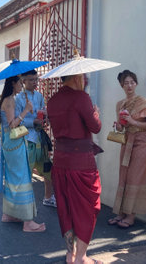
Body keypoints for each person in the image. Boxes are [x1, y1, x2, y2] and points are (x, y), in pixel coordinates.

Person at [47, 73, 102, 264]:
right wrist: (96, 113)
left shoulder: (52, 100)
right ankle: (81, 257)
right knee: (88, 207)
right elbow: (95, 127)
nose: (85, 80)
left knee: (66, 207)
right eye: (84, 77)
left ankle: (71, 254)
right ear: (77, 77)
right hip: (81, 163)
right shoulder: (81, 97)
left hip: (61, 160)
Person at [108, 70, 146, 229]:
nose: (129, 85)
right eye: (126, 83)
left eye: (132, 82)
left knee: (135, 178)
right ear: (121, 85)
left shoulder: (143, 102)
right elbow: (122, 127)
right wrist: (118, 126)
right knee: (123, 176)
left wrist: (133, 121)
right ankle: (121, 213)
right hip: (127, 141)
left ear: (136, 83)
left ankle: (131, 216)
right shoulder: (120, 104)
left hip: (142, 143)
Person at [0, 75, 45, 232]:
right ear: (13, 83)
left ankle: (9, 214)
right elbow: (12, 125)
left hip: (9, 144)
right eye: (19, 82)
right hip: (14, 144)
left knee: (13, 179)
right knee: (23, 179)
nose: (21, 85)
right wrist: (25, 111)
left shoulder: (9, 99)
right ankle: (28, 222)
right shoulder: (10, 100)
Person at [15, 69, 56, 207]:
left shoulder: (39, 96)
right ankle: (21, 204)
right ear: (23, 81)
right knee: (25, 174)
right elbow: (16, 122)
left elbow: (43, 111)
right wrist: (32, 122)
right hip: (27, 140)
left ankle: (48, 197)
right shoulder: (19, 98)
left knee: (48, 170)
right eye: (31, 80)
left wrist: (45, 115)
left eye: (36, 79)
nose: (35, 82)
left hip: (40, 138)